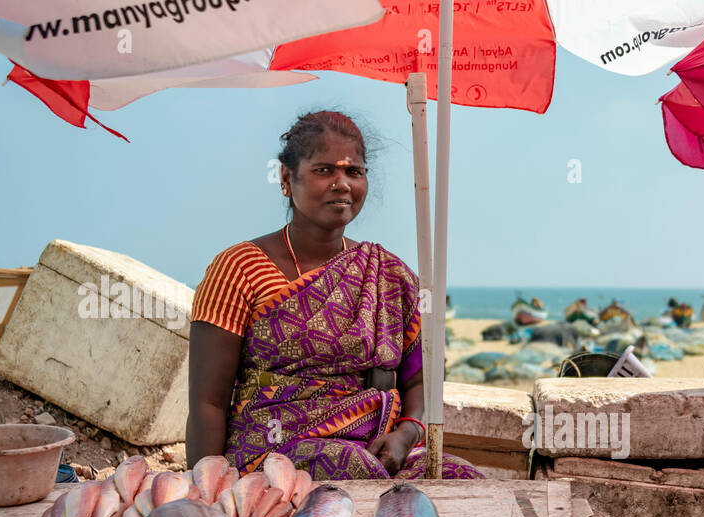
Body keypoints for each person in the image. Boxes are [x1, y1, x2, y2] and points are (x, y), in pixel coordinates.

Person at [186, 111, 483, 481]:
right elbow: (207, 402)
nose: (342, 184)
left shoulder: (388, 275)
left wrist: (405, 436)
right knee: (352, 466)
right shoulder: (239, 269)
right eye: (324, 170)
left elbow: (419, 380)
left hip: (377, 446)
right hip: (271, 454)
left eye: (354, 172)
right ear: (285, 178)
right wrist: (205, 492)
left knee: (461, 477)